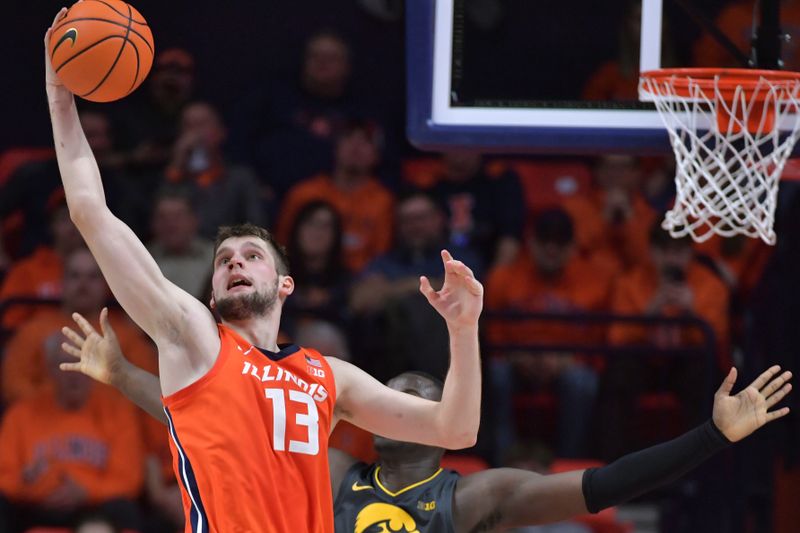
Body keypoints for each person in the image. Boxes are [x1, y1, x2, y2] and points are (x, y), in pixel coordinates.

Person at [45, 9, 482, 533]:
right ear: (211, 293)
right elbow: (90, 211)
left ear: (284, 284)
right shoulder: (195, 340)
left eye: (252, 255)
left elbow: (455, 431)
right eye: (224, 260)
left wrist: (462, 329)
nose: (235, 262)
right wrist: (60, 94)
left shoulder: (328, 376)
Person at [60, 319, 792, 533]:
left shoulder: (477, 497)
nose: (403, 395)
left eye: (420, 393)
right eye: (394, 393)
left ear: (443, 424)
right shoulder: (339, 474)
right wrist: (125, 376)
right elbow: (220, 431)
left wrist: (712, 436)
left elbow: (603, 485)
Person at [0, 332, 144, 533]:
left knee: (124, 510)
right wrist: (33, 487)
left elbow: (128, 480)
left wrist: (86, 490)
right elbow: (5, 478)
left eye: (82, 364)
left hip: (92, 505)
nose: (74, 374)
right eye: (66, 365)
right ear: (50, 369)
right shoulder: (21, 414)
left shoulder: (116, 412)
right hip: (36, 504)